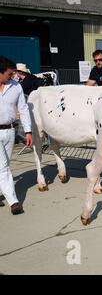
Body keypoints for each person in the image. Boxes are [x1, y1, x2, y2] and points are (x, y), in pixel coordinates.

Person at [0, 56, 32, 214]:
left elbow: (23, 108)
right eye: (9, 74)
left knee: (4, 164)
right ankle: (14, 202)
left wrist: (28, 131)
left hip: (10, 131)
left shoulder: (16, 87)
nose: (13, 76)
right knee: (3, 167)